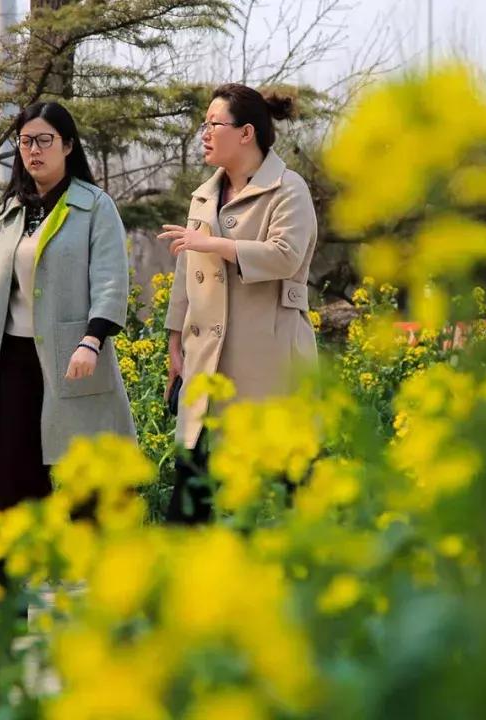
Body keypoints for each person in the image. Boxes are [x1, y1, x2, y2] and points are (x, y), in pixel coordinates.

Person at [0, 101, 136, 548]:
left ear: (67, 146)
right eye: (25, 141)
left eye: (44, 140)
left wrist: (92, 340)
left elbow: (111, 280)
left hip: (74, 358)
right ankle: (10, 588)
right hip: (12, 361)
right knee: (10, 485)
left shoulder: (94, 206)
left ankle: (103, 584)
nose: (33, 151)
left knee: (92, 484)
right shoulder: (10, 211)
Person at [159, 83, 319, 524]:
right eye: (204, 124)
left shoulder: (289, 190)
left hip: (269, 361)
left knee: (282, 496)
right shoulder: (204, 195)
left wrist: (215, 244)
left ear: (246, 132)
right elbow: (185, 277)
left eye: (214, 124)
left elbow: (285, 255)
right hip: (206, 363)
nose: (204, 133)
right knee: (190, 497)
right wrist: (174, 343)